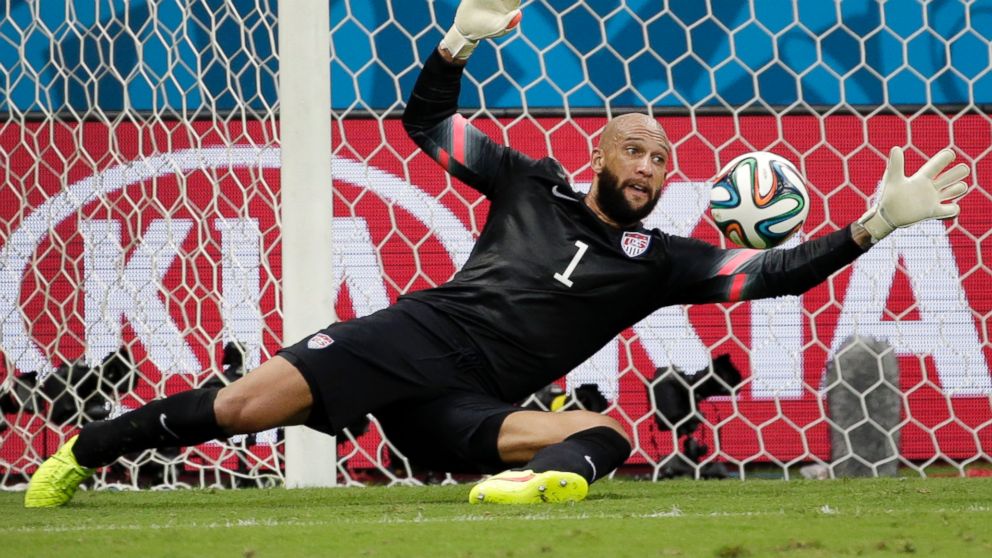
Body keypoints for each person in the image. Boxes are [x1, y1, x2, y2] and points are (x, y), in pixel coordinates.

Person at [24, 0, 969, 508]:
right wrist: (454, 44)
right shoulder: (532, 185)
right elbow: (426, 122)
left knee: (606, 438)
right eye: (635, 150)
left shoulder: (662, 258)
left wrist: (872, 225)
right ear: (601, 152)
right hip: (415, 336)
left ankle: (534, 485)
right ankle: (83, 454)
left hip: (478, 398)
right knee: (241, 406)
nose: (648, 167)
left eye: (662, 160)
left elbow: (770, 273)